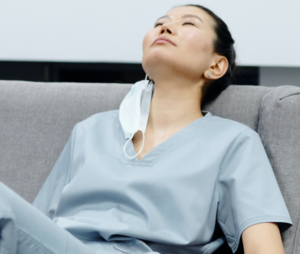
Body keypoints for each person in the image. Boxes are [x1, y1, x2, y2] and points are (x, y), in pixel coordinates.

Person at [0, 4, 293, 254]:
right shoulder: (90, 131)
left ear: (216, 66)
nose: (165, 28)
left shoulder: (234, 142)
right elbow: (29, 228)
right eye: (159, 24)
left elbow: (263, 248)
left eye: (188, 23)